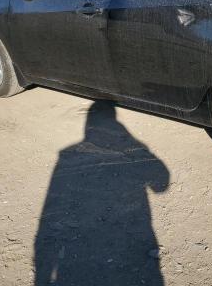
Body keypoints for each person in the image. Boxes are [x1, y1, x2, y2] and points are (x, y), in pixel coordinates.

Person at [34, 101, 169, 285]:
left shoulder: (66, 154)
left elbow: (47, 211)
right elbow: (161, 185)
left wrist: (42, 276)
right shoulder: (135, 146)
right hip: (133, 242)